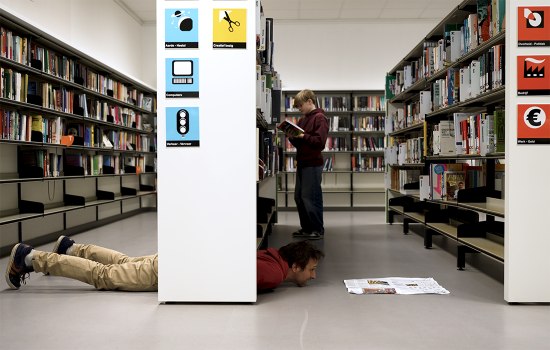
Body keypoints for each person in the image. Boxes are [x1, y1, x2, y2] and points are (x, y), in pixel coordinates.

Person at [6, 236, 324, 291]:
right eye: (310, 269)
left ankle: (73, 248)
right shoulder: (272, 273)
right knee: (104, 277)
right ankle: (32, 259)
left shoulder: (272, 255)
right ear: (295, 265)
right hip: (174, 272)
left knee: (124, 263)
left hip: (180, 259)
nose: (312, 276)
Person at [283, 89, 329, 240]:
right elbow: (300, 143)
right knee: (299, 197)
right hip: (302, 162)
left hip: (313, 163)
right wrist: (292, 137)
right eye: (297, 107)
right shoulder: (302, 120)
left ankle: (317, 229)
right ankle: (306, 228)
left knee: (311, 197)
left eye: (300, 105)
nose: (299, 109)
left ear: (310, 101)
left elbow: (319, 141)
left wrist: (302, 135)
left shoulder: (320, 118)